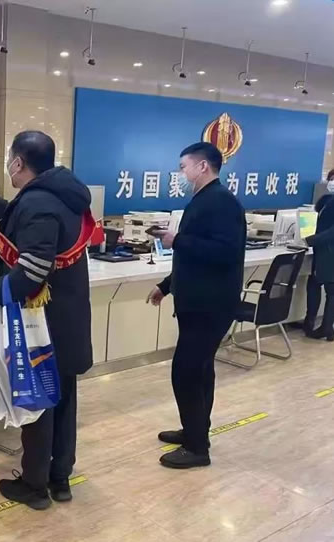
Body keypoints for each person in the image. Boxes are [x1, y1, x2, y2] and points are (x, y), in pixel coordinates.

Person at [0, 131, 93, 510]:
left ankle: (34, 485)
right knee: (63, 399)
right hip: (67, 318)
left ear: (18, 162)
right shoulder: (64, 194)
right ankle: (60, 478)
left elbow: (32, 270)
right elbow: (27, 223)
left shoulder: (39, 203)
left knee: (37, 403)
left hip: (39, 325)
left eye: (9, 160)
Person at [146, 142, 245, 469]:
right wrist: (166, 286)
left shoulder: (222, 202)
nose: (181, 173)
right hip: (196, 302)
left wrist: (177, 240)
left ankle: (197, 448)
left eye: (183, 166)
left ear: (203, 166)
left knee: (186, 372)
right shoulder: (202, 200)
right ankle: (195, 429)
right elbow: (194, 257)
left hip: (210, 305)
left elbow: (225, 253)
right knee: (200, 370)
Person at [304, 173, 334, 340]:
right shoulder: (327, 201)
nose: (332, 183)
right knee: (314, 283)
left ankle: (326, 328)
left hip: (329, 251)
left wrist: (311, 240)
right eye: (331, 179)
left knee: (331, 290)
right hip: (323, 251)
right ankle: (312, 322)